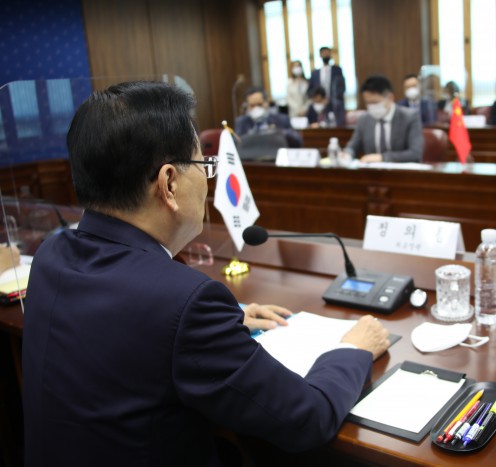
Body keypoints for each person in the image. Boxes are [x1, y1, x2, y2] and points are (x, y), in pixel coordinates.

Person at [22, 81, 392, 467]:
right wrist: (354, 349)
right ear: (168, 183)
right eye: (205, 166)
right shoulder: (184, 303)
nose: (208, 182)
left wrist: (227, 322)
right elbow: (307, 418)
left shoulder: (51, 254)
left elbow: (127, 328)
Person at [343, 75, 424, 163]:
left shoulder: (410, 117)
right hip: (372, 170)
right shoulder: (364, 119)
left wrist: (382, 157)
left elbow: (415, 153)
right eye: (368, 103)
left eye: (375, 102)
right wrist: (347, 155)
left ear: (390, 97)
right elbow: (352, 147)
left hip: (401, 170)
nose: (371, 106)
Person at [234, 86, 302, 147]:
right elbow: (236, 143)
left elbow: (297, 141)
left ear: (267, 102)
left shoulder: (281, 119)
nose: (256, 109)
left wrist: (279, 132)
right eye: (252, 106)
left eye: (259, 105)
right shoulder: (242, 122)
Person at [307, 47, 346, 125]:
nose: (325, 55)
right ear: (320, 55)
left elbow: (341, 87)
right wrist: (318, 99)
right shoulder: (315, 73)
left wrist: (330, 100)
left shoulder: (337, 70)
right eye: (323, 53)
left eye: (327, 53)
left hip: (333, 104)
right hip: (318, 104)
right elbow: (310, 90)